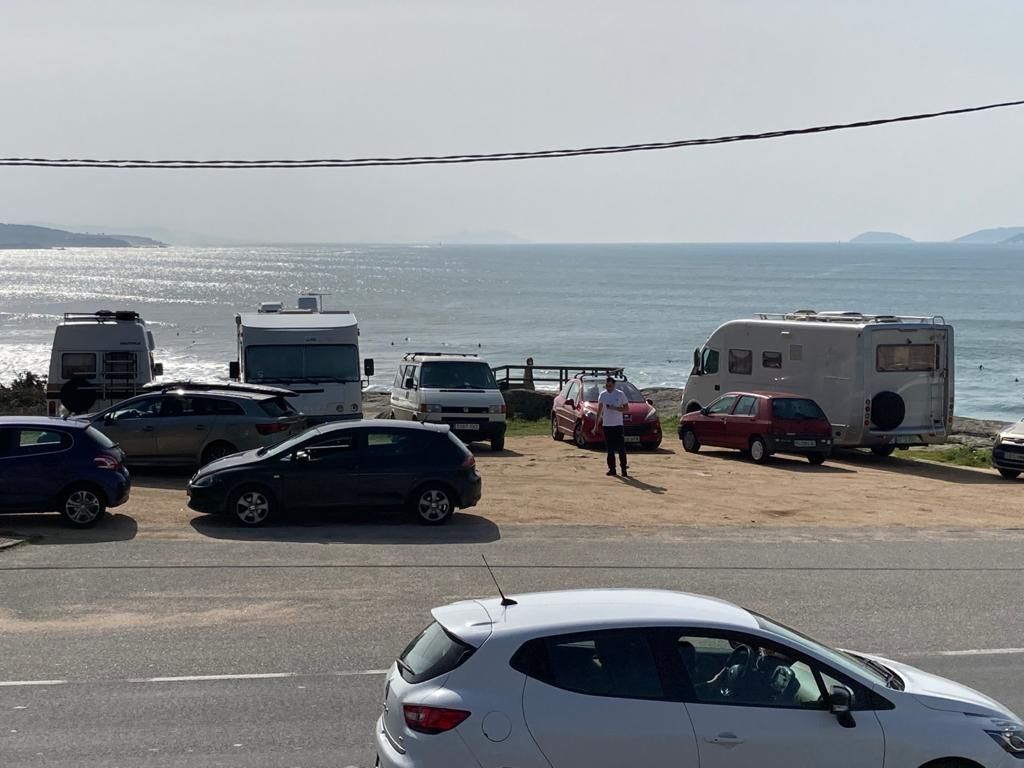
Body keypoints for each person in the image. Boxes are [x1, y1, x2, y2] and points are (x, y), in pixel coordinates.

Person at [594, 375, 629, 477]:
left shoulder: (620, 394)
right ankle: (612, 469)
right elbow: (599, 410)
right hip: (607, 425)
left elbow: (626, 408)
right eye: (607, 385)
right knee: (610, 449)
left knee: (621, 448)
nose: (608, 387)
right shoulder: (603, 395)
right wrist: (596, 425)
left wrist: (616, 408)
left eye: (610, 385)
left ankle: (623, 468)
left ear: (614, 385)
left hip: (618, 425)